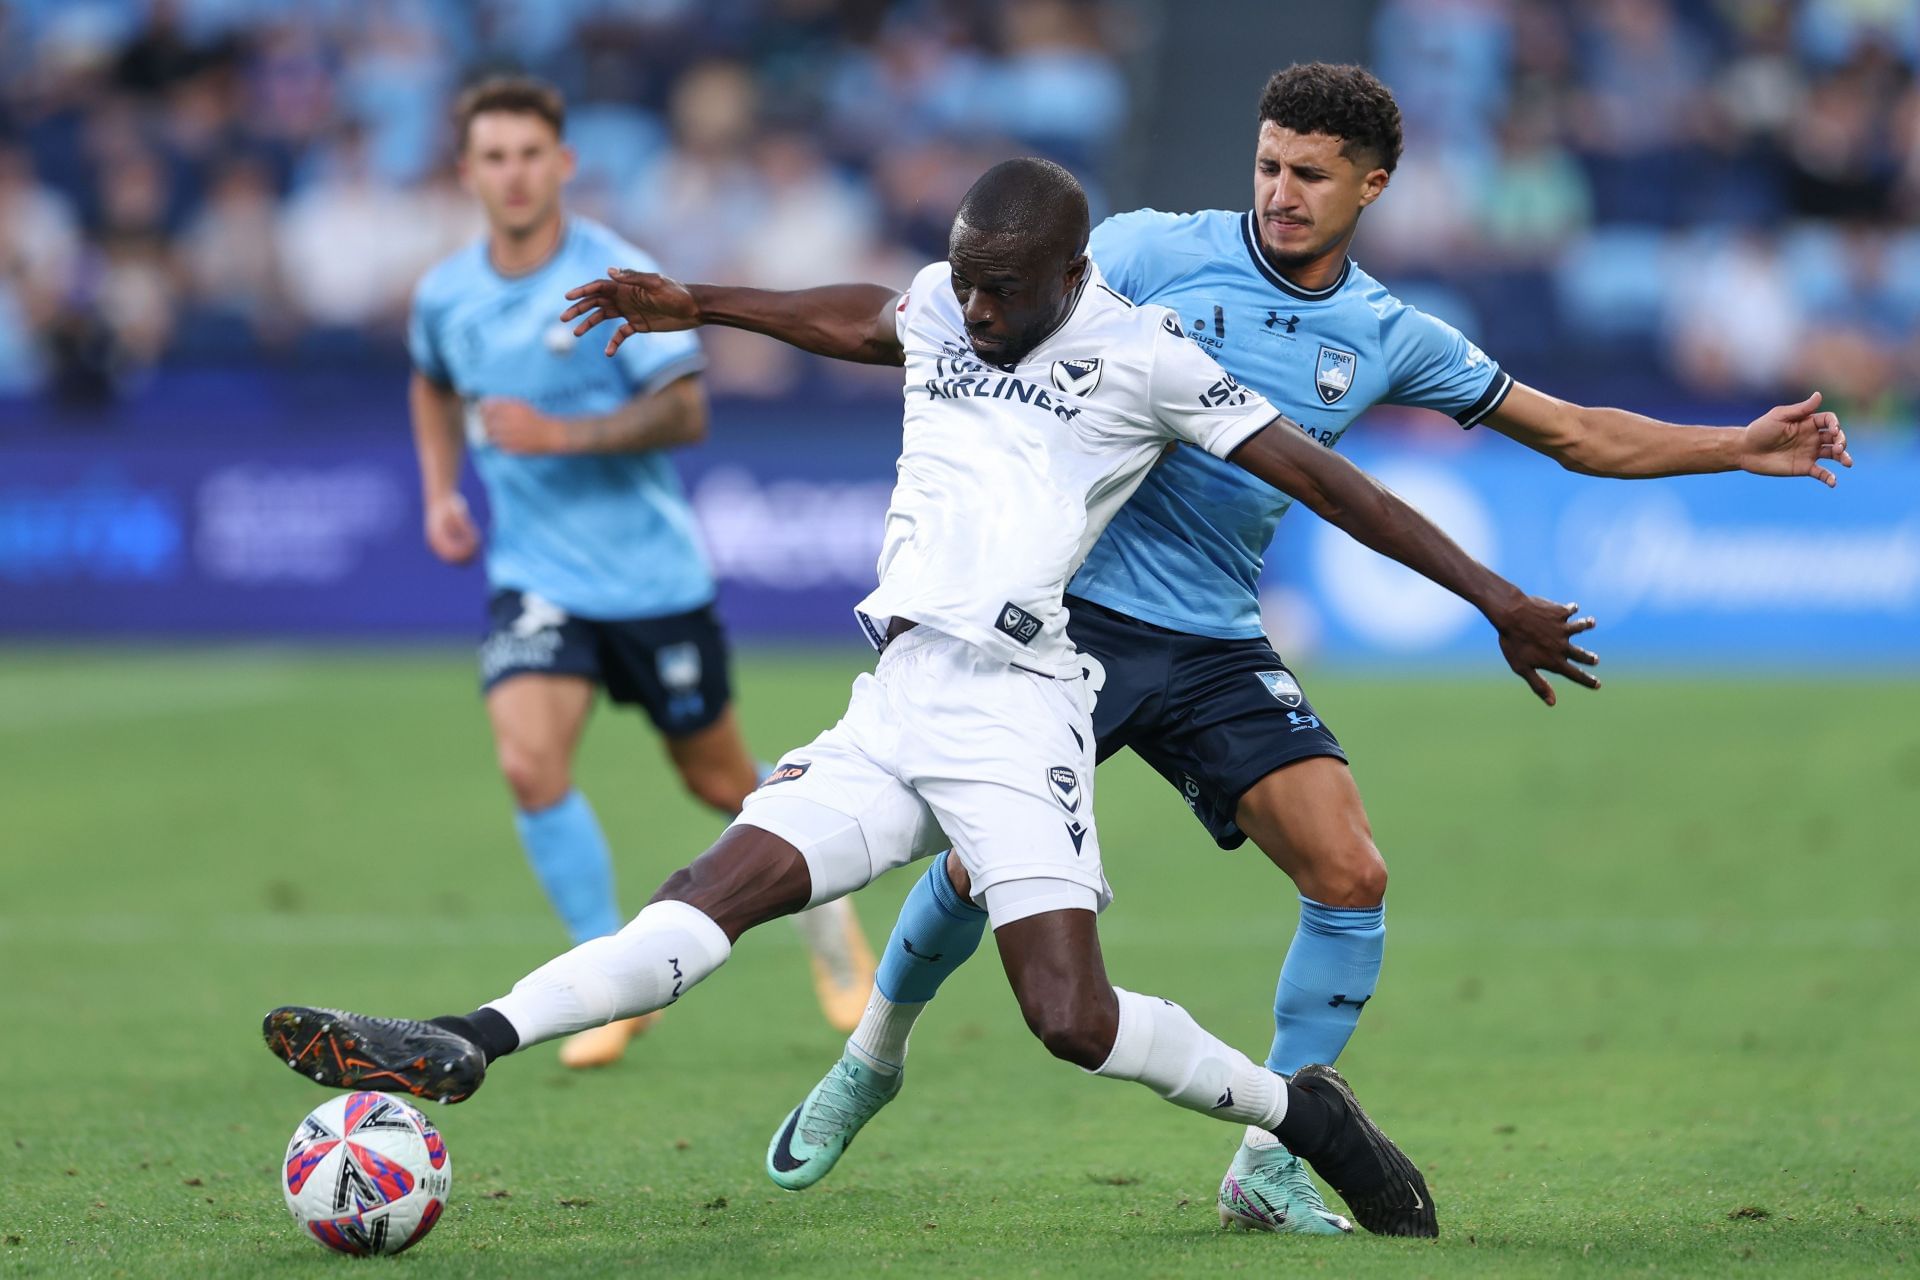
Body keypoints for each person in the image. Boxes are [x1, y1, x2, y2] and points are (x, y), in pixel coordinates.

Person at [264, 156, 1605, 1239]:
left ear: (1070, 276)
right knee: (706, 896)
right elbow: (860, 314)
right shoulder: (947, 305)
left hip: (1023, 713)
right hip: (896, 699)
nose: (972, 314)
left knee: (1071, 1021)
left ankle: (1302, 1122)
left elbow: (1334, 486)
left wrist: (1496, 599)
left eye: (1000, 292)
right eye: (963, 284)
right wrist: (702, 301)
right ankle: (466, 1036)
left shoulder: (1148, 359)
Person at [770, 62, 1854, 1235]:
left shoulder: (1388, 333)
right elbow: (977, 329)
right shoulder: (1141, 251)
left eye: (1312, 175)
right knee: (984, 861)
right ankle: (870, 1058)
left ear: (1372, 185)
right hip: (1064, 619)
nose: (1282, 192)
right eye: (1270, 165)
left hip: (1216, 634)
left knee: (1351, 873)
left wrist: (1733, 447)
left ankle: (1267, 1160)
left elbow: (1575, 431)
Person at [404, 75, 874, 1070]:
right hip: (537, 577)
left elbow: (686, 410)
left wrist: (559, 433)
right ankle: (607, 981)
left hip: (653, 582)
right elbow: (432, 380)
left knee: (717, 779)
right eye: (494, 157)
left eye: (532, 154)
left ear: (563, 164)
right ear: (468, 173)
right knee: (530, 762)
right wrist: (441, 490)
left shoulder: (614, 274)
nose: (515, 174)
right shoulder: (446, 292)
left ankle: (826, 919)